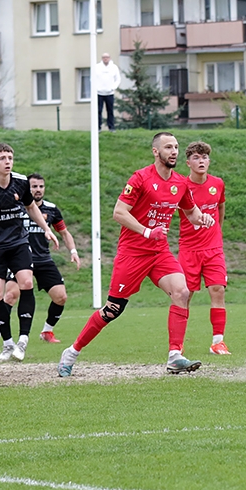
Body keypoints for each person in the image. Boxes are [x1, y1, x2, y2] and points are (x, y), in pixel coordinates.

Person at [57, 132, 215, 377]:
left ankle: (175, 355)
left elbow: (192, 213)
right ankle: (72, 351)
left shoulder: (181, 183)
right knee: (112, 310)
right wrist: (146, 231)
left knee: (182, 292)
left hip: (159, 252)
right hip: (133, 253)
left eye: (176, 147)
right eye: (168, 147)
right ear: (156, 152)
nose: (173, 151)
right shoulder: (140, 178)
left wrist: (201, 218)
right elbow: (119, 212)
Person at [0, 143, 60, 362]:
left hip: (18, 243)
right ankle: (7, 344)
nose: (8, 162)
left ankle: (23, 340)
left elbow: (31, 207)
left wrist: (46, 230)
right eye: (3, 158)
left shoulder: (21, 182)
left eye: (10, 157)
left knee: (26, 282)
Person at [0, 174, 82, 346]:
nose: (37, 190)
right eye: (33, 186)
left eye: (40, 186)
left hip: (43, 259)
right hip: (18, 258)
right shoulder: (17, 206)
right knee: (11, 295)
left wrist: (73, 251)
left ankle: (47, 331)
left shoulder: (51, 209)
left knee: (61, 297)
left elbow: (64, 232)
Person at [177, 141, 229, 355]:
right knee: (184, 295)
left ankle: (218, 342)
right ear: (188, 162)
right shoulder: (181, 186)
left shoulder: (218, 183)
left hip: (213, 248)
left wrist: (217, 232)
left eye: (205, 157)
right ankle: (177, 344)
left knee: (218, 290)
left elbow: (221, 207)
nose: (201, 161)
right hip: (189, 249)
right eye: (196, 158)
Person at [96, 52, 121, 131]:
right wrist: (96, 88)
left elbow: (118, 79)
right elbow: (92, 79)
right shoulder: (97, 67)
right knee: (98, 111)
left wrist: (113, 88)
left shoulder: (114, 67)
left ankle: (111, 127)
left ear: (109, 58)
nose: (105, 59)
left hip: (110, 93)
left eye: (107, 57)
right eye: (104, 57)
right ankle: (98, 128)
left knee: (110, 111)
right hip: (99, 93)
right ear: (102, 58)